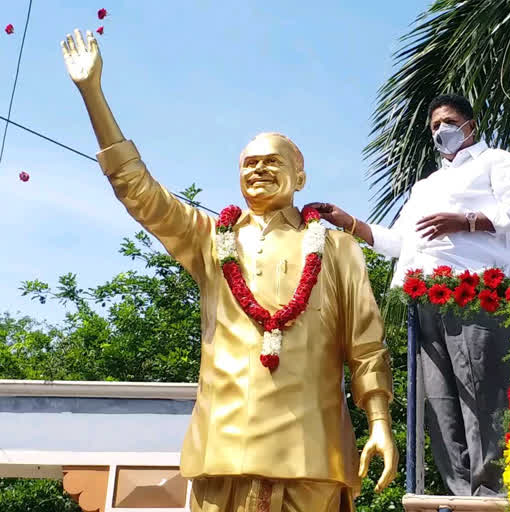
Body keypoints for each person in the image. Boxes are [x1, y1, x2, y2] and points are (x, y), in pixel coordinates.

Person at [60, 28, 397, 512]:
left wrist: (380, 423)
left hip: (312, 454)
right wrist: (93, 93)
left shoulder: (338, 248)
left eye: (272, 161)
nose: (258, 170)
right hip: (225, 449)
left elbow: (366, 346)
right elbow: (139, 191)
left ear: (300, 176)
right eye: (249, 163)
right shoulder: (211, 239)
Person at [307, 93, 510, 496]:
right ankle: (460, 494)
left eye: (448, 122)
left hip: (475, 291)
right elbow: (401, 242)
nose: (441, 131)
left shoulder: (496, 162)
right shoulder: (426, 185)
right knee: (439, 402)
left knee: (482, 396)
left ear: (470, 125)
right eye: (434, 126)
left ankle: (490, 494)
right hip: (424, 298)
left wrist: (464, 221)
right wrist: (348, 222)